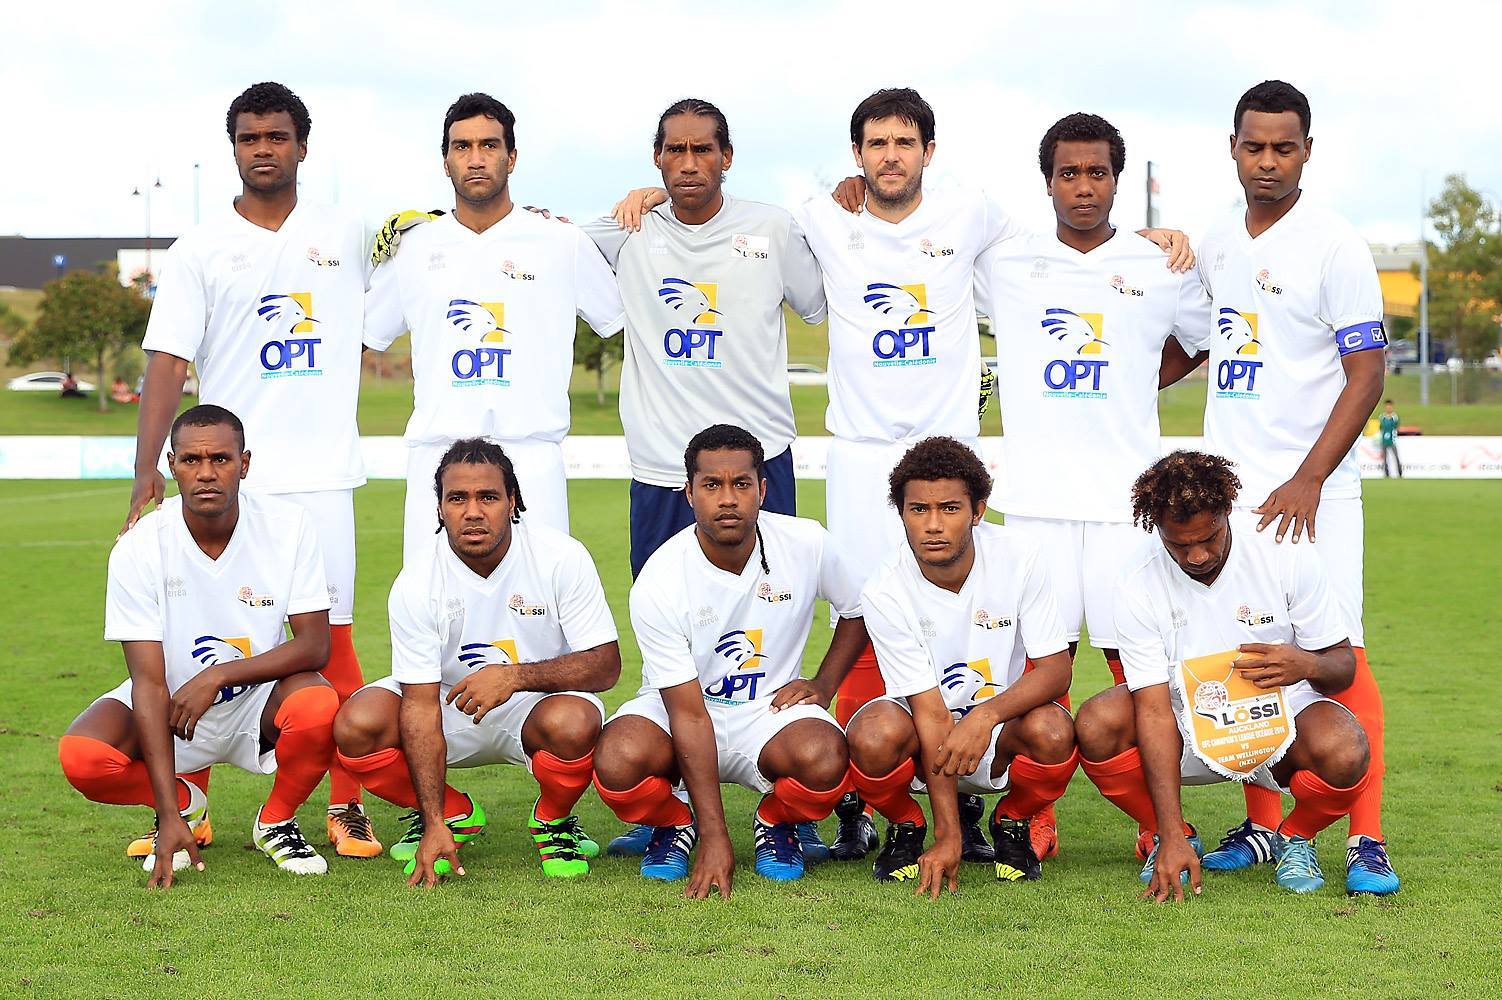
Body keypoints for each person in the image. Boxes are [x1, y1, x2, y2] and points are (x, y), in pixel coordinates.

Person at [122, 82, 376, 859]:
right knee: (194, 638)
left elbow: (445, 242)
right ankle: (188, 803)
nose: (263, 148)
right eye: (249, 137)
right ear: (234, 147)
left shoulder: (350, 233)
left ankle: (344, 806)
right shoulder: (199, 248)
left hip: (322, 476)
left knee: (333, 644)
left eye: (276, 136)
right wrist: (146, 471)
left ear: (303, 145)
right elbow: (168, 363)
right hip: (224, 473)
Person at [1159, 81, 1397, 894]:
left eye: (1283, 148)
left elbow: (1367, 375)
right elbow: (1191, 348)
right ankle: (1265, 827)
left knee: (1341, 656)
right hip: (1232, 493)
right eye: (1254, 146)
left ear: (1307, 151)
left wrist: (1309, 477)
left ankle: (1366, 839)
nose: (1268, 161)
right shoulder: (1218, 240)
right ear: (1232, 147)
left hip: (1313, 494)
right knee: (1248, 651)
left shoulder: (1336, 245)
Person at [60, 405, 339, 886]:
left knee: (318, 703)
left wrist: (218, 674)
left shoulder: (289, 526)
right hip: (171, 705)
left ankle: (276, 822)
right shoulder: (139, 546)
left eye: (221, 459)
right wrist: (168, 812)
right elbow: (148, 682)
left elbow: (315, 647)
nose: (206, 473)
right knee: (82, 756)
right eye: (191, 460)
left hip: (256, 701)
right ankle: (184, 805)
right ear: (172, 465)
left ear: (244, 464)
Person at [1076, 450, 1371, 898]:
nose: (1197, 555)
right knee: (1098, 721)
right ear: (1157, 529)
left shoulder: (1283, 551)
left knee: (1346, 747)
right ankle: (1173, 835)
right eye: (1179, 545)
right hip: (1188, 726)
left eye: (1209, 537)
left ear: (1227, 511)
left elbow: (1342, 665)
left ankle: (1295, 837)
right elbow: (1152, 709)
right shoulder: (1137, 581)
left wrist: (1305, 664)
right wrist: (1168, 833)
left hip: (1281, 722)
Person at [591, 424, 867, 896]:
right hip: (681, 708)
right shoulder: (661, 578)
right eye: (711, 485)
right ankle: (676, 822)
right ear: (689, 493)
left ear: (763, 490)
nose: (727, 499)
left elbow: (857, 610)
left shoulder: (806, 542)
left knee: (826, 758)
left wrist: (824, 685)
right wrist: (715, 836)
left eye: (741, 484)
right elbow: (689, 714)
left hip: (769, 711)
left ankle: (775, 821)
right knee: (618, 759)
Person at [332, 438, 621, 884]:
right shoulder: (417, 581)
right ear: (439, 508)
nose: (473, 512)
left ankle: (554, 820)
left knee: (576, 721)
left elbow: (605, 664)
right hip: (448, 704)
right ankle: (451, 814)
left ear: (513, 501)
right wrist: (434, 820)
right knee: (358, 724)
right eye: (457, 498)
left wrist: (513, 677)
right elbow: (420, 704)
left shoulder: (561, 557)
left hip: (535, 705)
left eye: (488, 497)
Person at [364, 93, 625, 564]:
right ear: (445, 161)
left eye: (489, 145)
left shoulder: (561, 242)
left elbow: (625, 322)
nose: (476, 158)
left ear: (512, 157)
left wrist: (652, 201)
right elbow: (361, 335)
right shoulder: (413, 247)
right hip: (437, 456)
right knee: (431, 602)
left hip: (531, 456)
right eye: (462, 147)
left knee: (540, 600)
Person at [849, 437, 1078, 891]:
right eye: (918, 510)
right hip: (920, 735)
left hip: (998, 728)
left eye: (950, 508)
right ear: (901, 514)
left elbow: (1056, 670)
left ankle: (1011, 820)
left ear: (978, 511)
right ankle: (908, 825)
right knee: (872, 735)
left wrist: (985, 715)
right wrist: (947, 836)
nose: (933, 525)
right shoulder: (884, 589)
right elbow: (931, 713)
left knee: (1054, 730)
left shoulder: (1019, 555)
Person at [1379, 400, 1402, 478]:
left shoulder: (1394, 417)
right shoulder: (1382, 417)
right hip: (1384, 441)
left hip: (1392, 441)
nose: (1388, 408)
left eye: (1390, 406)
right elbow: (1381, 428)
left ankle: (1400, 473)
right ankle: (1386, 474)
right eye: (1387, 406)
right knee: (1385, 459)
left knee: (1396, 457)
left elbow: (1396, 427)